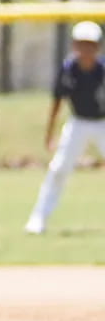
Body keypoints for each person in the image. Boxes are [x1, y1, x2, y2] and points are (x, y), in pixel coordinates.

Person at [25, 21, 105, 234]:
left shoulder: (103, 70)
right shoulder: (69, 69)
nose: (85, 49)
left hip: (102, 123)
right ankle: (38, 219)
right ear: (74, 45)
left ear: (98, 46)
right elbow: (57, 102)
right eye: (81, 44)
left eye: (90, 44)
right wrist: (49, 134)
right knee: (59, 169)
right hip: (78, 123)